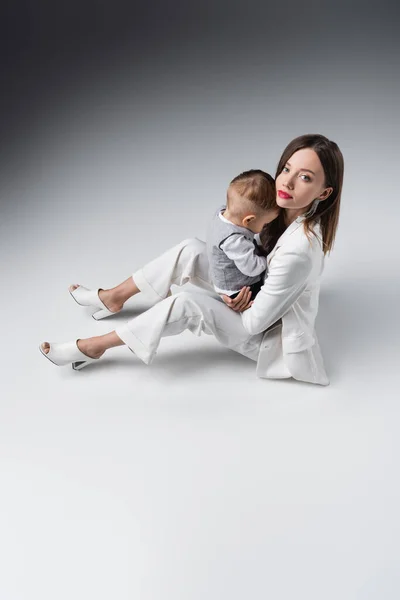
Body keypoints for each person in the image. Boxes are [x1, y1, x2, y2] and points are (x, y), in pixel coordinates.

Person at [39, 133, 344, 386]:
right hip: (255, 290)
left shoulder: (298, 250)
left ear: (324, 192)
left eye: (305, 177)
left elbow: (253, 324)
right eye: (286, 169)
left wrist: (230, 298)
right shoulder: (278, 210)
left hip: (268, 334)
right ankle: (113, 298)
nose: (287, 183)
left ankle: (94, 347)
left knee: (185, 303)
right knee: (191, 249)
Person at [206, 169, 279, 300]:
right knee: (272, 292)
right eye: (265, 224)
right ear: (249, 220)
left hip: (224, 276)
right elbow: (252, 268)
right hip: (238, 290)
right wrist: (268, 259)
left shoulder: (222, 212)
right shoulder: (234, 241)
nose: (266, 227)